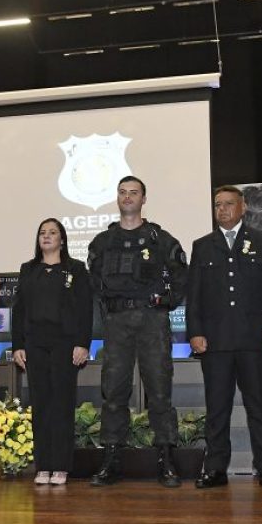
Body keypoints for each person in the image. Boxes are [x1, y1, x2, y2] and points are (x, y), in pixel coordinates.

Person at [87, 176, 188, 487]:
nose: (127, 197)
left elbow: (182, 275)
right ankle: (112, 458)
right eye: (122, 193)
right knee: (114, 392)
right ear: (117, 198)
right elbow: (93, 281)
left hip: (152, 321)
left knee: (159, 390)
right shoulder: (103, 242)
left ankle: (166, 459)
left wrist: (166, 302)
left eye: (133, 193)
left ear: (144, 199)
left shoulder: (160, 238)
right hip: (117, 322)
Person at [187, 186, 262, 490]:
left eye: (229, 204)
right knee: (217, 408)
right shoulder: (203, 245)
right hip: (215, 342)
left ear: (243, 207)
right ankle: (215, 467)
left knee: (260, 407)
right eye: (218, 205)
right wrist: (195, 332)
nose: (223, 209)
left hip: (254, 340)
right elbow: (194, 296)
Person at [12, 219, 93, 486]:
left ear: (62, 239)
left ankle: (61, 466)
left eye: (52, 233)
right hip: (35, 345)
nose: (46, 237)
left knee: (61, 405)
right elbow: (19, 310)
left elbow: (85, 309)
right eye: (42, 233)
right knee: (41, 405)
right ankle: (43, 465)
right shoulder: (28, 269)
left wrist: (82, 343)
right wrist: (18, 345)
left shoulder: (76, 269)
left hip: (65, 345)